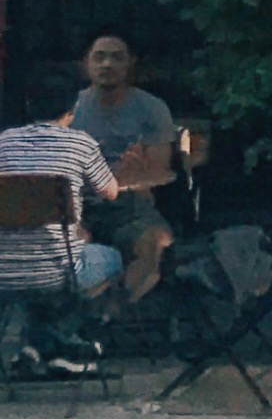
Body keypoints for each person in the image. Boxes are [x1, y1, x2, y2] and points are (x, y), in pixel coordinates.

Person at [0, 110, 126, 355]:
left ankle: (37, 343)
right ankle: (60, 330)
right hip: (60, 272)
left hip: (4, 272)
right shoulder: (80, 143)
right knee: (115, 259)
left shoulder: (3, 141)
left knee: (35, 270)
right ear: (72, 111)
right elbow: (110, 191)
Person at [65, 33, 176, 301]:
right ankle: (72, 314)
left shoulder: (152, 109)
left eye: (117, 57)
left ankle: (119, 306)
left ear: (130, 63)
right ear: (86, 64)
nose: (107, 64)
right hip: (78, 207)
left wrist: (135, 173)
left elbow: (159, 171)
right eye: (99, 57)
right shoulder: (68, 110)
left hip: (132, 209)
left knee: (155, 241)